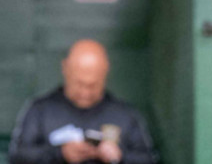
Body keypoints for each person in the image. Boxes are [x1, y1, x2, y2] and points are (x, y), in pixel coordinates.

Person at [8, 40, 157, 164]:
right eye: (79, 84)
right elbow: (17, 157)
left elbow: (149, 159)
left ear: (105, 74)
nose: (85, 92)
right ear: (65, 69)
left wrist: (120, 156)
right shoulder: (40, 111)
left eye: (93, 85)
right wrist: (60, 153)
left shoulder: (125, 115)